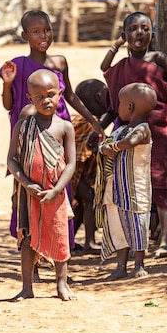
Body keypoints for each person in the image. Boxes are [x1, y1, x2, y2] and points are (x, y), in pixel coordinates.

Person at [0, 9, 104, 250]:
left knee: (60, 190)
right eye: (36, 31)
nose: (43, 35)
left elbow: (70, 96)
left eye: (47, 30)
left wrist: (94, 122)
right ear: (25, 35)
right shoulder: (16, 66)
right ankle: (31, 253)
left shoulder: (59, 62)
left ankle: (59, 252)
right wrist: (7, 84)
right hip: (29, 139)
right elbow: (8, 104)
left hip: (57, 134)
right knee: (27, 191)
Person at [100, 11, 167, 259]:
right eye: (134, 29)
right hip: (128, 131)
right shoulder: (122, 66)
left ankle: (166, 238)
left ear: (152, 33)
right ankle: (130, 239)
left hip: (159, 126)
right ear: (125, 34)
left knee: (159, 180)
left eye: (145, 28)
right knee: (129, 182)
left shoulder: (158, 58)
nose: (140, 33)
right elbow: (104, 68)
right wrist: (116, 44)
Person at [7, 69, 76, 302]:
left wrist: (58, 189)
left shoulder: (65, 127)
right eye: (39, 97)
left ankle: (61, 284)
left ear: (60, 94)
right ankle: (27, 287)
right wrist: (25, 184)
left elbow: (70, 164)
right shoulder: (22, 126)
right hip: (29, 195)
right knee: (27, 238)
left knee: (59, 235)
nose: (46, 100)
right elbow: (11, 160)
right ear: (30, 99)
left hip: (55, 193)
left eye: (51, 94)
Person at [94, 83, 156, 280]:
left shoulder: (142, 129)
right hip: (118, 189)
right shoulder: (120, 130)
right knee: (120, 226)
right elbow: (103, 145)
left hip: (136, 190)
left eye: (120, 104)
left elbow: (131, 141)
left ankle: (139, 263)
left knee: (137, 225)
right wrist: (105, 148)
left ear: (130, 107)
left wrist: (116, 146)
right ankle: (121, 266)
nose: (117, 108)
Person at [71, 79, 108, 255]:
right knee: (90, 198)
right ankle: (89, 242)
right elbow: (81, 155)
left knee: (80, 205)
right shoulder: (90, 123)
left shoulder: (80, 119)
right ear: (100, 97)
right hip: (72, 173)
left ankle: (70, 240)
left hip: (73, 174)